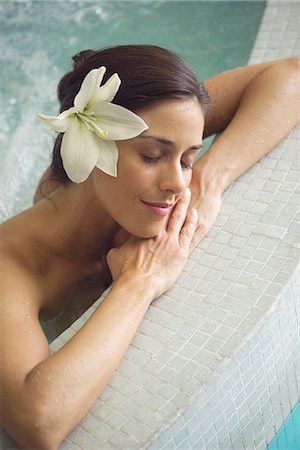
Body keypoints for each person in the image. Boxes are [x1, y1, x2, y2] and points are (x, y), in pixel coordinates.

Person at [0, 45, 299, 449]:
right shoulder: (13, 264)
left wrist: (210, 179)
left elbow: (290, 76)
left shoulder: (152, 148)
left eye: (187, 158)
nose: (177, 184)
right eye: (154, 156)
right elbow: (36, 423)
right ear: (92, 146)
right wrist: (138, 283)